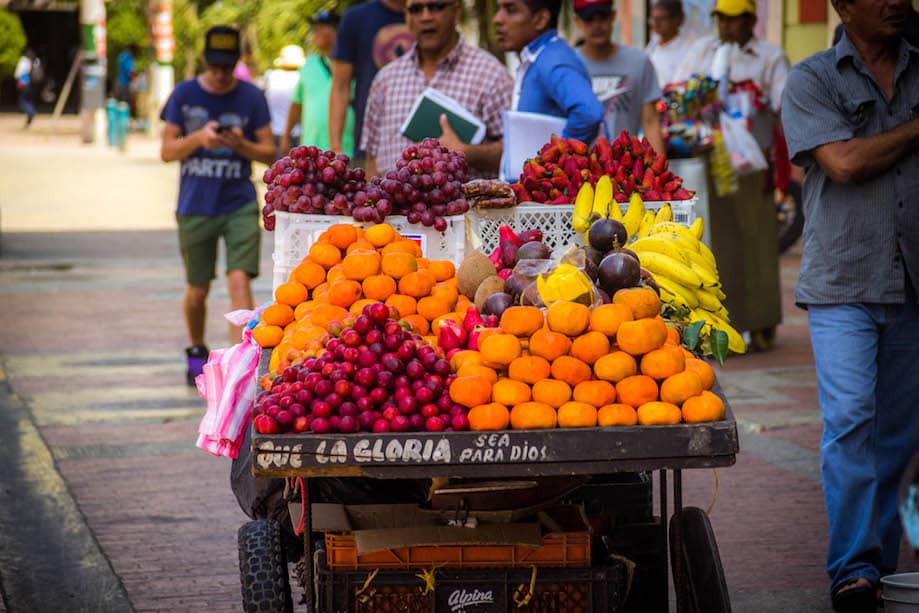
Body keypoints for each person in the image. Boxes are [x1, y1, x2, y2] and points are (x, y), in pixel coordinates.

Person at [780, 0, 919, 611]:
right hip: (843, 282)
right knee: (850, 424)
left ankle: (880, 565)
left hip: (912, 280)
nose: (897, 1)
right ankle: (854, 568)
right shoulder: (812, 78)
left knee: (897, 436)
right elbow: (843, 162)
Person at [159, 26, 275, 385]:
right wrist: (198, 138)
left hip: (238, 201)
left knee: (239, 277)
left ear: (236, 62)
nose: (222, 74)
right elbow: (166, 152)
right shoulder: (184, 94)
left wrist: (240, 145)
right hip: (196, 204)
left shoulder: (252, 97)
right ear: (207, 61)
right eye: (216, 66)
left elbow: (270, 151)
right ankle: (196, 349)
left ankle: (238, 366)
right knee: (198, 288)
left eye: (228, 66)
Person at [361, 0, 513, 177]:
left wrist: (467, 152)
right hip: (393, 204)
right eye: (416, 9)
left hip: (465, 204)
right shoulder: (385, 80)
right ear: (406, 16)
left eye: (436, 7)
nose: (426, 17)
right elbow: (371, 158)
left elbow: (516, 152)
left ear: (456, 12)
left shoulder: (490, 74)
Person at [493, 0, 605, 144]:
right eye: (499, 9)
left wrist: (557, 157)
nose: (498, 19)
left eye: (510, 9)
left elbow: (589, 112)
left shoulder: (552, 60)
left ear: (540, 20)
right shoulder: (539, 58)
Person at [572, 0, 665, 154]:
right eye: (589, 19)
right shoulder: (568, 65)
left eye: (602, 16)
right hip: (579, 170)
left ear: (613, 16)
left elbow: (650, 122)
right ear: (577, 21)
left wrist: (658, 173)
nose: (597, 25)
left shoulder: (639, 62)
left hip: (625, 169)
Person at [329, 0, 414, 163]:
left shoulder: (430, 14)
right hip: (370, 147)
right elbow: (340, 86)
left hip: (424, 148)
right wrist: (335, 147)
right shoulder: (356, 18)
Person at [676, 0, 789, 117]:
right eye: (721, 18)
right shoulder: (702, 48)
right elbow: (678, 88)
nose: (725, 25)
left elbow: (783, 106)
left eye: (732, 19)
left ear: (751, 21)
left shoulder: (772, 57)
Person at [280, 11, 355, 156]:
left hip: (346, 151)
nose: (314, 33)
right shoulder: (309, 65)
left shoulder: (352, 64)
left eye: (320, 28)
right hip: (311, 153)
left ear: (335, 31)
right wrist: (286, 136)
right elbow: (297, 104)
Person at [264, 44, 305, 157]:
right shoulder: (300, 78)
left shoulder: (271, 77)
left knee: (277, 171)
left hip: (274, 131)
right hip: (295, 134)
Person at [645, 0, 695, 88]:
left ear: (677, 20)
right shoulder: (652, 45)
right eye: (653, 18)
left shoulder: (689, 48)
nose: (656, 23)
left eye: (661, 19)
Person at [14, 49, 37, 127]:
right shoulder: (33, 61)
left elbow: (19, 73)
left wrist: (18, 80)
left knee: (22, 101)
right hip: (29, 83)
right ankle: (30, 112)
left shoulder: (23, 61)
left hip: (23, 82)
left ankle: (31, 112)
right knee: (28, 100)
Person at [116, 44, 138, 115]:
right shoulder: (129, 58)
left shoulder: (122, 56)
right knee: (125, 106)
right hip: (125, 84)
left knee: (119, 105)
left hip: (119, 83)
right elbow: (130, 73)